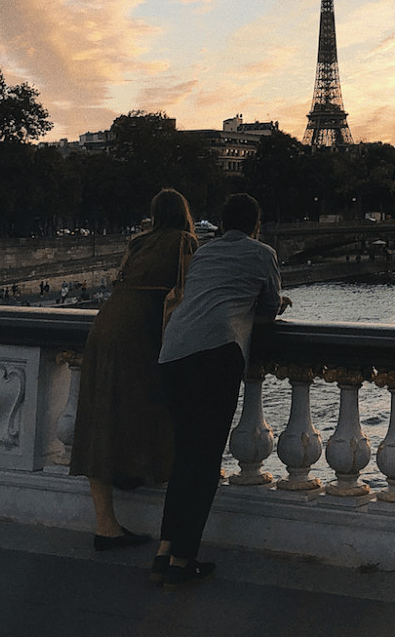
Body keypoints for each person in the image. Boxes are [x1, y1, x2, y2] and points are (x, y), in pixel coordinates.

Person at [153, 192, 290, 589]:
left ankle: (163, 553)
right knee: (206, 460)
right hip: (215, 356)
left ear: (222, 222)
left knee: (183, 458)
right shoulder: (262, 253)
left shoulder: (203, 254)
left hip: (172, 352)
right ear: (256, 225)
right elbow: (266, 309)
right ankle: (183, 560)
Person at [69, 188, 199, 551]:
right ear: (184, 213)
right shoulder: (186, 242)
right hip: (140, 330)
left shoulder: (138, 242)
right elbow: (191, 292)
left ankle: (105, 523)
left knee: (101, 415)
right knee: (153, 406)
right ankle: (146, 477)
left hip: (106, 323)